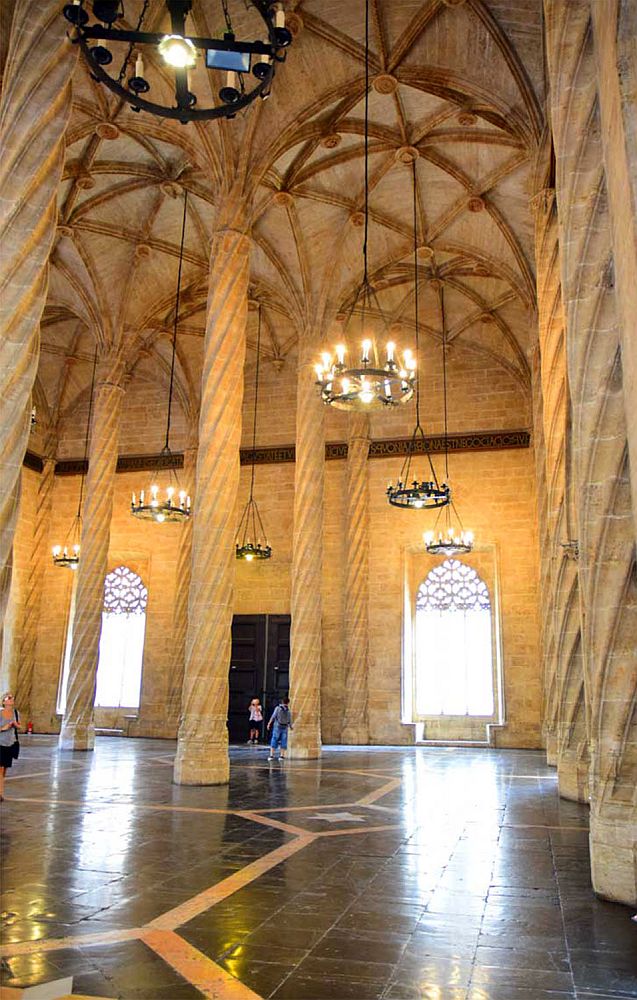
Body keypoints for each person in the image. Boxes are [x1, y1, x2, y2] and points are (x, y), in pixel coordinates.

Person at [0, 692, 21, 801]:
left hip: (10, 743)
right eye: (8, 698)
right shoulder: (0, 713)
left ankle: (1, 792)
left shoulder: (16, 713)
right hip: (0, 743)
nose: (11, 699)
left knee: (4, 770)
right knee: (0, 768)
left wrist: (15, 725)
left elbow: (20, 726)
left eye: (12, 698)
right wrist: (3, 728)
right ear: (3, 701)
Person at [267, 696, 293, 761]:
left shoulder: (278, 708)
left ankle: (271, 755)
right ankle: (282, 756)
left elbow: (273, 716)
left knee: (274, 739)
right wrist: (290, 726)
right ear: (288, 702)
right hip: (285, 727)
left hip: (277, 726)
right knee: (284, 741)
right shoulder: (288, 710)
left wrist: (269, 723)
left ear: (282, 701)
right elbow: (289, 719)